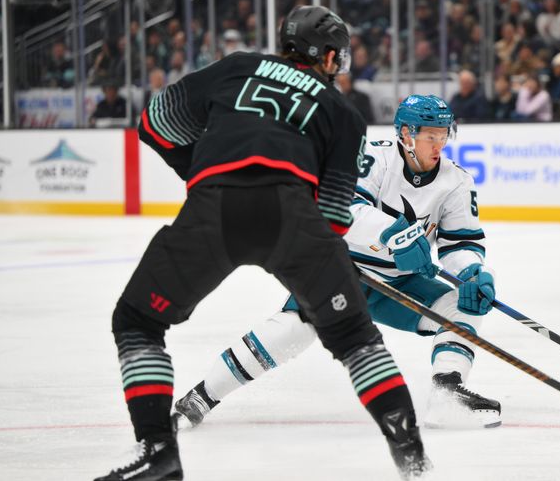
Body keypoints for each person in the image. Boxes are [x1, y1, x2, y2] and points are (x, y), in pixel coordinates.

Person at [94, 5, 429, 481]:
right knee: (356, 339)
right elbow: (334, 217)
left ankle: (158, 452)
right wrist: (324, 268)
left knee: (137, 321)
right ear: (328, 56)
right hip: (293, 219)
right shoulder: (343, 112)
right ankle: (412, 457)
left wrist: (202, 168)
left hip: (214, 208)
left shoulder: (237, 66)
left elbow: (154, 123)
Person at [172, 94, 501, 435]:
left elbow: (460, 242)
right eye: (430, 135)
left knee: (462, 306)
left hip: (398, 284)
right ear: (406, 133)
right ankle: (201, 396)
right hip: (341, 271)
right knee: (291, 330)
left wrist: (471, 272)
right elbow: (342, 207)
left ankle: (446, 391)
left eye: (444, 134)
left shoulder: (457, 180)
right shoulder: (374, 157)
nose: (439, 144)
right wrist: (394, 235)